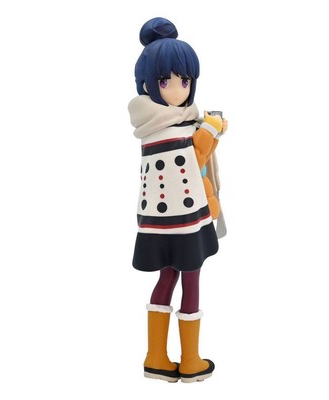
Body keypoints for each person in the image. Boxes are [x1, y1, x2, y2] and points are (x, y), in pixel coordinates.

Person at [128, 17, 228, 383]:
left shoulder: (153, 124)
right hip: (183, 221)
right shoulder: (164, 126)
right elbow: (191, 157)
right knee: (191, 280)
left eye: (184, 81)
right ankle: (190, 361)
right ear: (148, 84)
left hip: (161, 220)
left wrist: (204, 130)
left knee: (168, 277)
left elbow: (191, 152)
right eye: (165, 81)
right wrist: (211, 130)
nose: (177, 89)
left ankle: (157, 356)